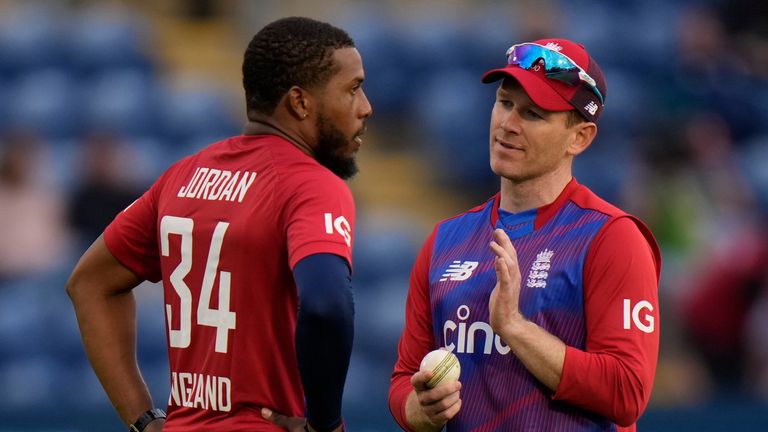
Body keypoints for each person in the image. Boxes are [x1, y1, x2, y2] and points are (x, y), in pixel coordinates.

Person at [67, 17, 372, 432]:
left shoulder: (182, 176)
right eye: (352, 89)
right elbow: (326, 305)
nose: (366, 106)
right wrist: (325, 423)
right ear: (300, 103)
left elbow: (89, 282)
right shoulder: (312, 185)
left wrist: (143, 420)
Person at [388, 38, 661, 431]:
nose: (508, 124)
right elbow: (403, 381)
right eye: (504, 103)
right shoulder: (443, 241)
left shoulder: (613, 237)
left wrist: (514, 328)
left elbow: (627, 392)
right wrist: (421, 409)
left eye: (533, 114)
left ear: (579, 137)